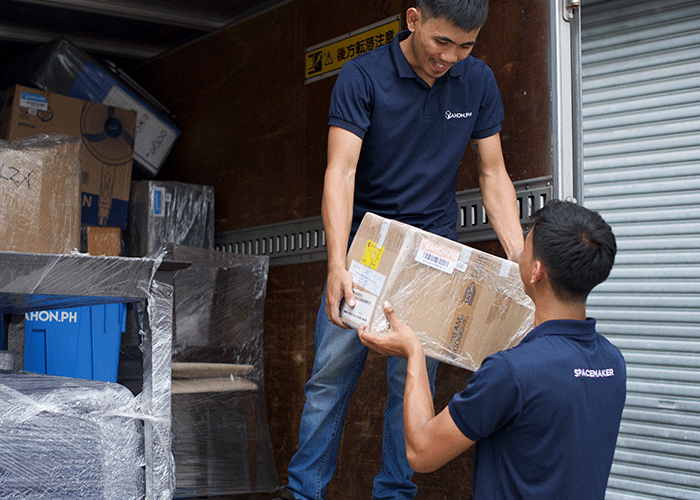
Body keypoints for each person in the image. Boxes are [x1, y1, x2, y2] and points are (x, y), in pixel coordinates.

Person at [278, 1, 524, 498]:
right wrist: (335, 263)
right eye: (442, 42)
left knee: (410, 384)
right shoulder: (363, 76)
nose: (450, 56)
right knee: (330, 378)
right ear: (414, 20)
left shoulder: (476, 81)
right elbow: (341, 172)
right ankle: (304, 491)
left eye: (465, 46)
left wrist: (518, 261)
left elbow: (493, 172)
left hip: (435, 256)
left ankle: (393, 493)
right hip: (367, 251)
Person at [358, 200, 626, 499]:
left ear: (536, 271)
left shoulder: (513, 371)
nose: (519, 254)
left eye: (525, 246)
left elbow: (421, 452)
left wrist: (414, 352)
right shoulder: (612, 361)